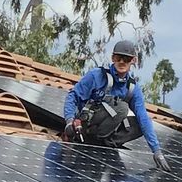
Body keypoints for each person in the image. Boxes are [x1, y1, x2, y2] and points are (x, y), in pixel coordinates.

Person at [61, 36, 165, 166]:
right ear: (112, 58)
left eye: (126, 59)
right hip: (85, 124)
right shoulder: (96, 75)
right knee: (121, 107)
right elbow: (73, 96)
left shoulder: (132, 88)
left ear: (133, 61)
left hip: (106, 129)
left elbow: (143, 116)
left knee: (142, 124)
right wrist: (69, 121)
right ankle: (90, 137)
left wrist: (156, 150)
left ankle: (106, 143)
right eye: (118, 58)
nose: (122, 62)